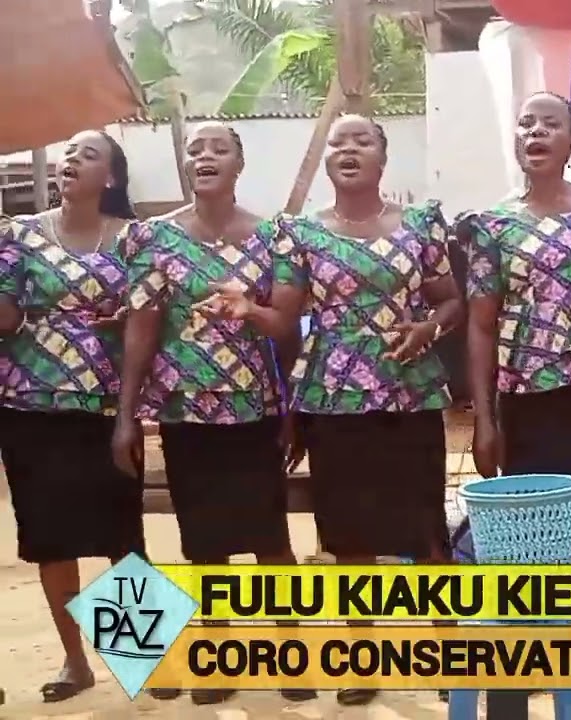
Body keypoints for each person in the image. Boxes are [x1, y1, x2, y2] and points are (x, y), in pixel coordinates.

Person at [202, 113, 464, 706]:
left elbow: (451, 302)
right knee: (349, 538)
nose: (348, 149)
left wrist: (426, 328)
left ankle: (448, 653)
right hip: (333, 400)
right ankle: (361, 660)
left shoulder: (420, 225)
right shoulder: (298, 233)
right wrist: (251, 309)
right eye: (338, 142)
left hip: (410, 395)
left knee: (426, 532)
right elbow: (289, 320)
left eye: (362, 140)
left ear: (383, 157)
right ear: (327, 160)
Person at [111, 121, 312, 706]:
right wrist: (128, 415)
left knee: (271, 540)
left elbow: (288, 335)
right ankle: (218, 658)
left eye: (218, 148)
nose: (204, 156)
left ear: (239, 163)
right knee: (203, 545)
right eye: (195, 150)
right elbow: (142, 331)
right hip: (183, 417)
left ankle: (290, 655)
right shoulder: (154, 239)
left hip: (256, 414)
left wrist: (250, 310)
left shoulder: (275, 237)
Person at [456, 91, 571, 566]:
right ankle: (551, 632)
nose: (536, 132)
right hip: (525, 402)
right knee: (535, 527)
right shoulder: (491, 225)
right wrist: (485, 420)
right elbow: (480, 326)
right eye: (527, 123)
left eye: (550, 124)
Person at [0, 130, 145, 703]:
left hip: (108, 407)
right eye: (68, 154)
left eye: (88, 155)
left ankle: (139, 662)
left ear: (110, 177)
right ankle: (76, 662)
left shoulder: (135, 239)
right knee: (50, 538)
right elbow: (6, 318)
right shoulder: (19, 234)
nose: (70, 160)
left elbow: (151, 316)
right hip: (29, 407)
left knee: (121, 536)